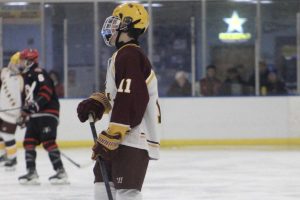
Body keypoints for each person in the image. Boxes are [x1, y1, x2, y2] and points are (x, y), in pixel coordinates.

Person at [77, 3, 161, 200]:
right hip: (123, 134)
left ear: (127, 25)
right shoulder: (123, 55)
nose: (111, 25)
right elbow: (120, 95)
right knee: (101, 183)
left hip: (132, 136)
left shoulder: (130, 55)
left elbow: (133, 98)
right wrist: (100, 103)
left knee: (127, 193)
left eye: (116, 20)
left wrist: (113, 135)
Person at [17, 48, 68, 185]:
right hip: (35, 116)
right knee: (28, 142)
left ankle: (61, 172)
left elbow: (46, 91)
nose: (20, 62)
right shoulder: (26, 76)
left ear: (29, 60)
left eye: (22, 59)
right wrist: (25, 114)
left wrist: (35, 106)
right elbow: (28, 100)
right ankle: (31, 173)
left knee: (48, 141)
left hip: (47, 113)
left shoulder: (39, 73)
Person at [0, 52, 23, 170]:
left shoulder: (22, 78)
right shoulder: (4, 72)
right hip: (1, 110)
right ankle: (3, 155)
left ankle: (12, 158)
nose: (17, 65)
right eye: (16, 62)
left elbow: (24, 95)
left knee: (7, 135)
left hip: (13, 113)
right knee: (0, 135)